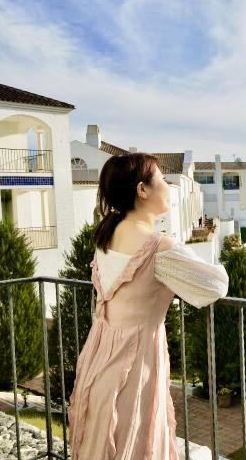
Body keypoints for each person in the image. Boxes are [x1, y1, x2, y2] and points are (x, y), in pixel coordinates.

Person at [67, 153, 229, 460]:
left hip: (99, 360)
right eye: (162, 180)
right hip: (134, 368)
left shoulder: (108, 235)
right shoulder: (157, 247)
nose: (167, 186)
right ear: (142, 190)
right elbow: (216, 285)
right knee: (136, 445)